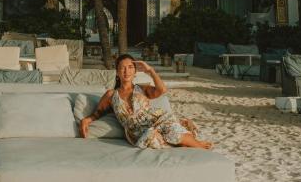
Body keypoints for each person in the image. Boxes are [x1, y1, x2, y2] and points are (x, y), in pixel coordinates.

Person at [79, 54, 212, 150]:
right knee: (152, 137)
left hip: (158, 120)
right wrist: (86, 120)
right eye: (122, 68)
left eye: (130, 67)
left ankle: (199, 147)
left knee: (173, 132)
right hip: (137, 132)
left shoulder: (142, 88)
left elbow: (162, 90)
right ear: (117, 72)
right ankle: (186, 145)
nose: (126, 71)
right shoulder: (110, 95)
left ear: (135, 71)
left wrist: (150, 70)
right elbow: (98, 113)